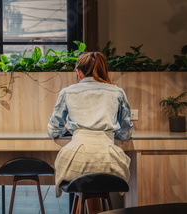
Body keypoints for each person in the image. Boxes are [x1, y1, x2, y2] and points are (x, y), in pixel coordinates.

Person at [47, 52, 133, 198]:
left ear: (78, 72)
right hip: (110, 162)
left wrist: (67, 128)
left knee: (72, 173)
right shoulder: (117, 92)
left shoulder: (67, 92)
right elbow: (126, 134)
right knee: (109, 176)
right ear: (104, 71)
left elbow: (54, 131)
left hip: (74, 163)